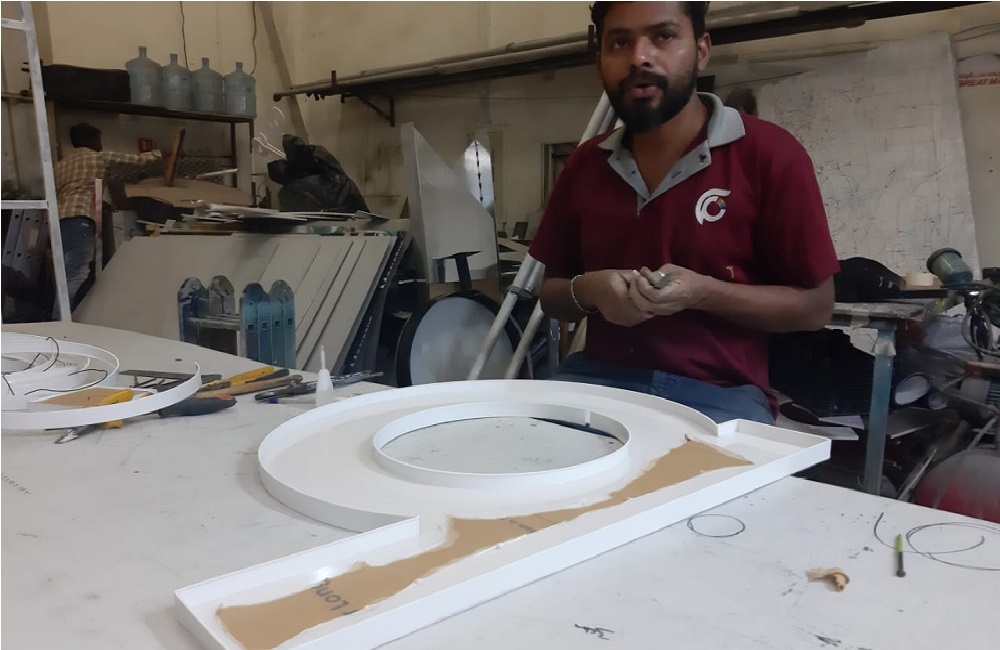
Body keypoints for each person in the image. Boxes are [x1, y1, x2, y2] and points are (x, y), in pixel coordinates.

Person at [528, 1, 839, 424]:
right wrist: (592, 291)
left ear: (702, 50)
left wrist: (703, 293)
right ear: (599, 60)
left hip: (720, 395)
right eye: (619, 42)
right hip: (597, 382)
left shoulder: (769, 155)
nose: (639, 57)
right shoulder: (585, 165)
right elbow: (552, 295)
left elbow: (816, 307)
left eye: (664, 36)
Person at [54, 123, 160, 310]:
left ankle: (67, 314)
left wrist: (100, 204)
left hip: (62, 221)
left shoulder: (61, 165)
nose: (101, 145)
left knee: (68, 272)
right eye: (99, 141)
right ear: (90, 140)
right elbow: (137, 160)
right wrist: (159, 154)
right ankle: (60, 319)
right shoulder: (98, 157)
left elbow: (66, 192)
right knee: (77, 274)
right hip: (81, 220)